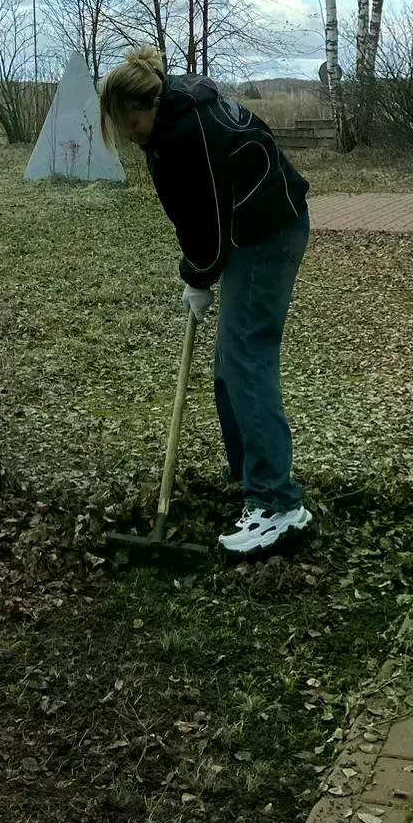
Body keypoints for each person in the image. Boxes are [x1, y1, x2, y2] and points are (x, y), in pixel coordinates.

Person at [99, 48, 312, 557]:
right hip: (252, 226)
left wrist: (197, 275)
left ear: (145, 106)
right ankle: (250, 474)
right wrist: (199, 269)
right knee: (230, 361)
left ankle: (276, 504)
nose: (129, 137)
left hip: (267, 232)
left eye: (129, 125)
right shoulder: (174, 107)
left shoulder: (184, 134)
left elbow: (207, 226)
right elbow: (199, 215)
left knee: (245, 357)